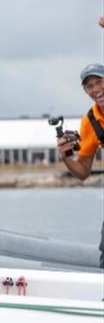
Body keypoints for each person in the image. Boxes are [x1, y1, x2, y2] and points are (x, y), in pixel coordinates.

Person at [58, 60, 104, 269]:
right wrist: (66, 156)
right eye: (89, 85)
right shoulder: (90, 121)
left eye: (99, 81)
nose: (96, 89)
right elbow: (83, 172)